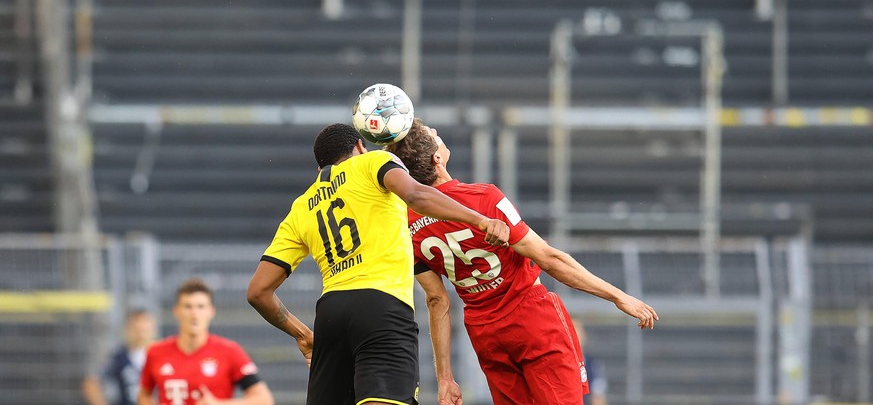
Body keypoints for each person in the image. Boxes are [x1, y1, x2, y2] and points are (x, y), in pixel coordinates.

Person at [385, 119, 659, 405]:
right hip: (531, 318)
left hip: (484, 331)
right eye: (433, 134)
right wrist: (618, 296)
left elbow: (436, 300)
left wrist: (445, 377)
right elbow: (549, 258)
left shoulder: (405, 223)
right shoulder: (483, 199)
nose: (437, 133)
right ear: (437, 158)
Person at [246, 123, 511, 405]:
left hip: (329, 318)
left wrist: (304, 335)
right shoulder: (373, 162)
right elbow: (416, 195)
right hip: (381, 309)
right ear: (360, 146)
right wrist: (480, 219)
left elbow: (258, 292)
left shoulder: (302, 206)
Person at [138, 278, 273, 405]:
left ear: (211, 311)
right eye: (188, 306)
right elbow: (144, 394)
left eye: (200, 306)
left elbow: (264, 399)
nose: (194, 314)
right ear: (176, 311)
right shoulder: (156, 352)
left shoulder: (230, 351)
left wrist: (219, 404)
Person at [82, 309, 157, 405]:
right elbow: (91, 383)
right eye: (136, 329)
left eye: (144, 329)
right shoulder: (119, 357)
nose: (140, 333)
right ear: (128, 329)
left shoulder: (163, 356)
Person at [573, 318, 609, 405]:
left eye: (577, 332)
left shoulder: (592, 365)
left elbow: (598, 397)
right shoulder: (555, 364)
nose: (574, 337)